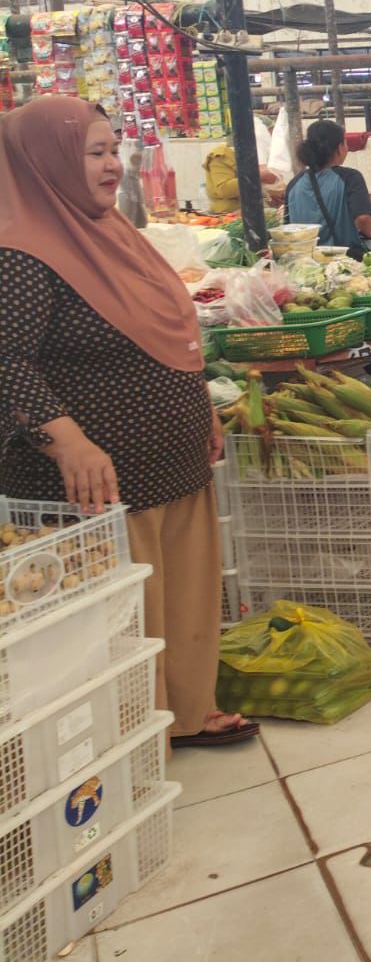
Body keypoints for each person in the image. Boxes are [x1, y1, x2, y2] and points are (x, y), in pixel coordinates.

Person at [0, 96, 255, 748]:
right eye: (95, 153)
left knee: (186, 596)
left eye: (115, 149)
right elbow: (7, 359)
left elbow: (168, 332)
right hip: (98, 482)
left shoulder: (113, 231)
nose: (113, 164)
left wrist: (199, 408)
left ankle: (189, 711)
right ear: (47, 163)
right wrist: (69, 441)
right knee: (124, 610)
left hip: (170, 460)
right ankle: (131, 738)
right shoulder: (22, 254)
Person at [285, 120, 371, 258]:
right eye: (345, 143)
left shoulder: (294, 184)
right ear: (340, 148)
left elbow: (287, 228)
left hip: (305, 264)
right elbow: (363, 219)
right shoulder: (350, 177)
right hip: (342, 264)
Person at [203, 142, 282, 214]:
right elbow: (224, 189)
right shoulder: (222, 156)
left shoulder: (260, 153)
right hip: (229, 213)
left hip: (255, 208)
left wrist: (270, 196)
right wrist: (256, 175)